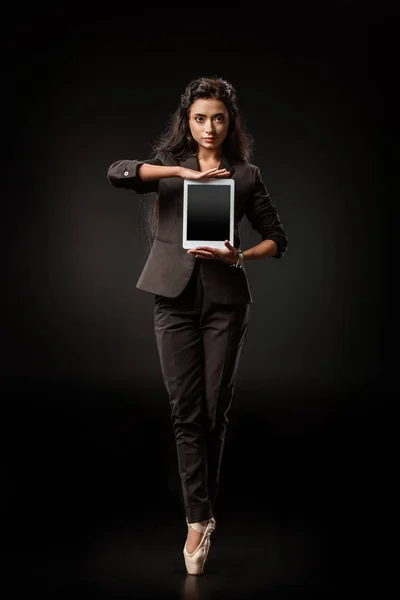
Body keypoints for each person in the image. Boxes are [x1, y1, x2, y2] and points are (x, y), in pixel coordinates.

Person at [107, 76, 288, 575]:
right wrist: (182, 176)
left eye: (219, 118)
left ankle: (200, 506)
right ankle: (198, 517)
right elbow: (117, 173)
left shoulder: (246, 175)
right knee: (185, 411)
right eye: (200, 118)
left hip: (226, 302)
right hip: (173, 300)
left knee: (212, 410)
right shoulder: (169, 171)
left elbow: (277, 237)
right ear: (188, 122)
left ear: (231, 123)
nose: (210, 127)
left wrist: (240, 255)